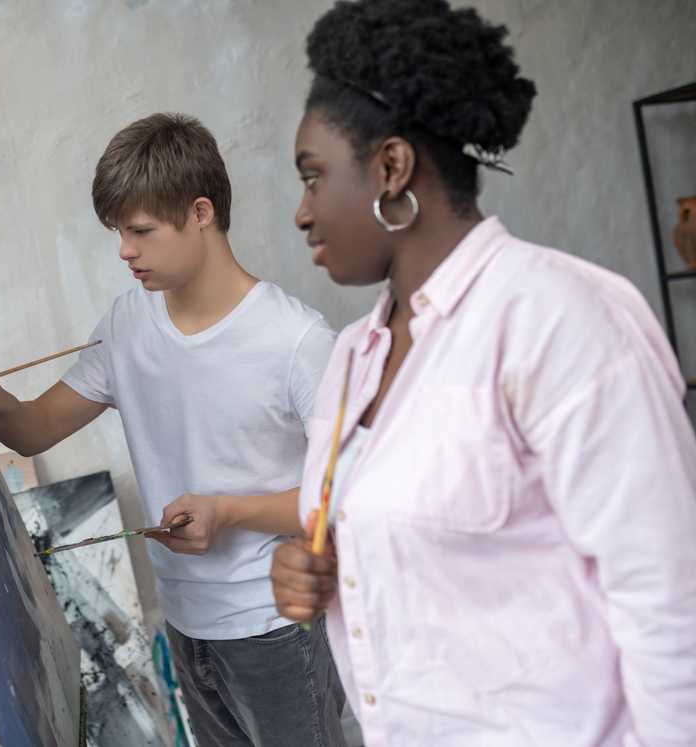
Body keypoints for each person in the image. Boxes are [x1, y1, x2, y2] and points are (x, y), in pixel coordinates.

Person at [270, 1, 696, 745]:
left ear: (391, 168)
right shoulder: (353, 358)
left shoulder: (554, 320)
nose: (303, 213)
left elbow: (672, 605)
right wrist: (319, 570)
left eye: (314, 177)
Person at [0, 113, 347, 745]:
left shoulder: (298, 341)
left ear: (201, 212)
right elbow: (34, 430)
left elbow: (346, 498)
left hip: (276, 628)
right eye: (119, 232)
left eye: (141, 231)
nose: (125, 250)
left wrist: (229, 512)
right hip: (186, 625)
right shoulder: (128, 324)